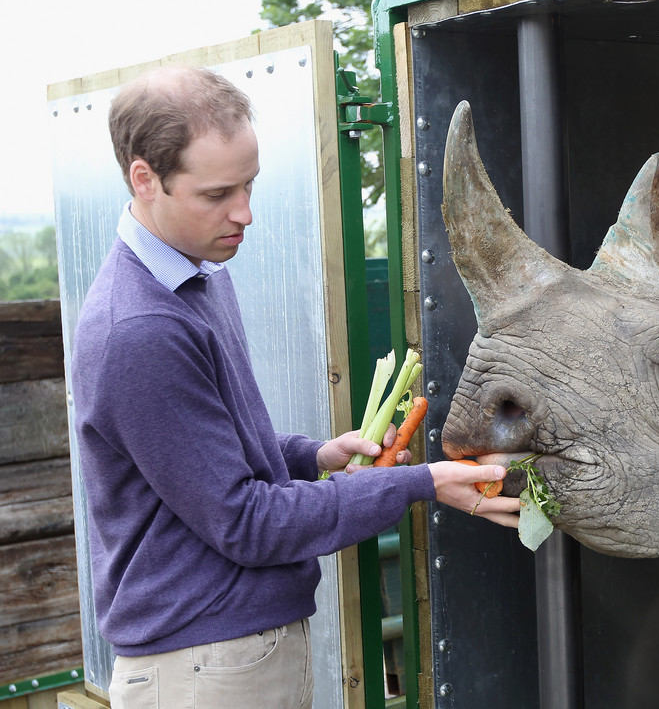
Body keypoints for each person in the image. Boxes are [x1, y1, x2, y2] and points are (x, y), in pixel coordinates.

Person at [70, 65, 521, 709]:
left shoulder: (198, 274)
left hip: (230, 653)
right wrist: (420, 482)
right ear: (145, 178)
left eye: (249, 185)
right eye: (217, 193)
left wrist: (313, 456)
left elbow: (204, 456)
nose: (244, 213)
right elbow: (245, 522)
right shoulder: (141, 329)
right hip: (202, 668)